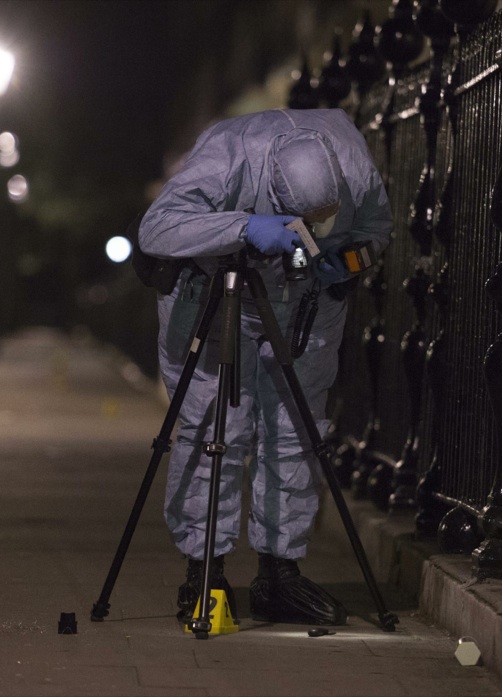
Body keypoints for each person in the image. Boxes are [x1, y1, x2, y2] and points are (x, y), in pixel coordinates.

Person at [138, 108, 392, 625]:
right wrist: (243, 228)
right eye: (302, 220)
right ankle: (203, 571)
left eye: (323, 216)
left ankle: (281, 575)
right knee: (214, 431)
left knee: (296, 434)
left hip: (305, 310)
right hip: (217, 298)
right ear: (272, 191)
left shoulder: (356, 168)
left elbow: (377, 233)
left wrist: (340, 263)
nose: (313, 229)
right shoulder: (227, 155)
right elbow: (156, 229)